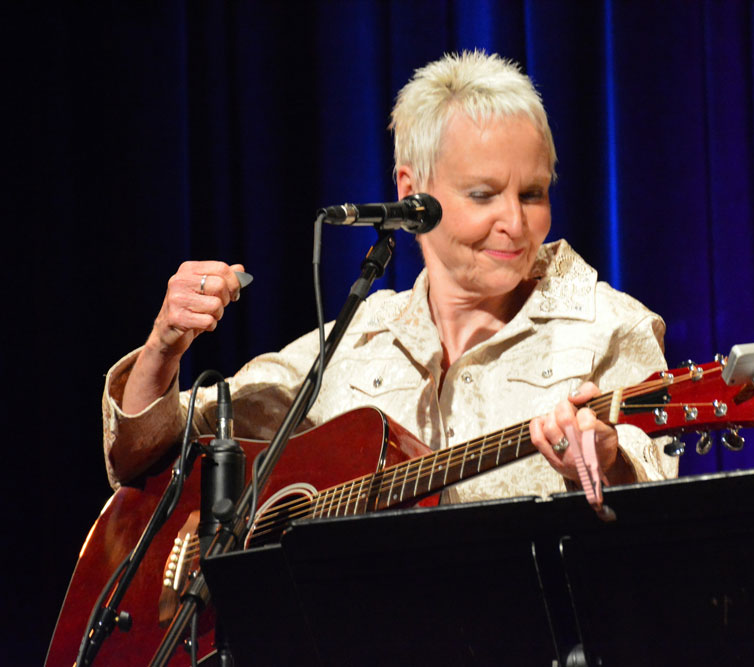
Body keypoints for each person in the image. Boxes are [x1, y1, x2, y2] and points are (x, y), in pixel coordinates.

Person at [102, 51, 677, 504]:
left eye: (533, 193)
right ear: (410, 193)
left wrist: (608, 462)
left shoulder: (610, 326)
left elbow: (659, 512)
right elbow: (149, 454)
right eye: (483, 195)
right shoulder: (358, 339)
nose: (515, 222)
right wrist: (162, 348)